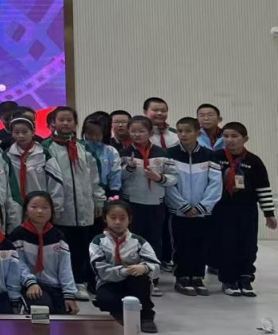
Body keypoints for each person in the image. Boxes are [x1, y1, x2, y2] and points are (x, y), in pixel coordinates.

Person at [42, 106, 105, 300]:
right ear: (53, 123)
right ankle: (60, 283)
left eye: (69, 120)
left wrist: (98, 200)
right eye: (61, 120)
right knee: (60, 248)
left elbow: (94, 177)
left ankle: (80, 282)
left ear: (75, 123)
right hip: (59, 210)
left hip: (84, 208)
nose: (65, 123)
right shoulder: (45, 147)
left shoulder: (84, 147)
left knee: (81, 248)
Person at [212, 121, 277, 297]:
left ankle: (245, 278)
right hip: (222, 210)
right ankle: (229, 279)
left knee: (248, 245)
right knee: (226, 245)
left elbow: (263, 188)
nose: (230, 140)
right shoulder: (215, 157)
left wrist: (269, 214)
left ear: (245, 139)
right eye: (226, 136)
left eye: (235, 136)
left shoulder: (254, 161)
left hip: (246, 210)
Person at [119, 115, 176, 296]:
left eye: (141, 131)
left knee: (153, 242)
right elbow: (117, 179)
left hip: (155, 204)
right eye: (133, 131)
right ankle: (131, 278)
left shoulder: (162, 153)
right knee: (131, 242)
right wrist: (127, 169)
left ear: (150, 133)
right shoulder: (124, 153)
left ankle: (152, 279)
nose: (137, 134)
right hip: (132, 204)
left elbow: (174, 177)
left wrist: (159, 177)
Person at [165, 116, 221, 296]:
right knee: (181, 244)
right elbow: (168, 184)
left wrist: (202, 207)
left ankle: (197, 277)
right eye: (180, 131)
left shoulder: (209, 155)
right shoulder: (170, 154)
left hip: (202, 212)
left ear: (198, 133)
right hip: (179, 212)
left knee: (201, 244)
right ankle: (182, 277)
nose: (183, 134)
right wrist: (182, 206)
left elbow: (215, 185)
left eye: (188, 131)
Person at [90, 202, 159, 333]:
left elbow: (155, 264)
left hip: (134, 280)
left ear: (129, 219)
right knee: (105, 298)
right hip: (108, 281)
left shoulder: (138, 241)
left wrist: (144, 268)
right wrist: (123, 271)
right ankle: (117, 313)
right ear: (105, 218)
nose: (117, 222)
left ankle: (146, 316)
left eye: (122, 218)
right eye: (113, 217)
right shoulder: (98, 241)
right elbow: (100, 269)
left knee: (141, 283)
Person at [10, 191, 78, 314]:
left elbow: (65, 267)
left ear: (51, 211)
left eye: (45, 207)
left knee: (66, 313)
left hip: (54, 285)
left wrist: (69, 294)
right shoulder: (18, 235)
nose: (40, 211)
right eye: (34, 207)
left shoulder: (58, 236)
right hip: (29, 285)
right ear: (26, 210)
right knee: (41, 311)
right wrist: (30, 283)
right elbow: (18, 264)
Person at [6, 116, 64, 211]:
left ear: (33, 132)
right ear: (11, 133)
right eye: (16, 132)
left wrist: (55, 206)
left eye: (25, 132)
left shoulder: (43, 154)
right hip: (15, 207)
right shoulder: (7, 156)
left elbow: (55, 181)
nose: (21, 135)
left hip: (40, 206)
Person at [82, 116, 122, 200]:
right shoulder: (78, 148)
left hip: (105, 191)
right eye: (90, 134)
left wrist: (114, 191)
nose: (94, 138)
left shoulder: (110, 151)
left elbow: (115, 172)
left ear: (104, 134)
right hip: (83, 192)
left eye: (97, 135)